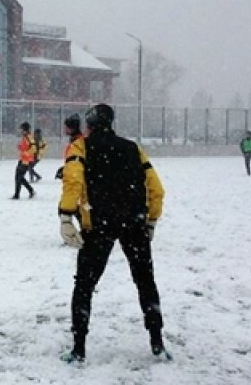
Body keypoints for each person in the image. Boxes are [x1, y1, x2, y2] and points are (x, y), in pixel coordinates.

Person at [57, 104, 168, 364]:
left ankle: (79, 347)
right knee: (145, 281)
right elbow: (156, 188)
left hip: (98, 224)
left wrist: (66, 215)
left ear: (91, 123)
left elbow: (73, 180)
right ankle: (157, 341)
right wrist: (151, 219)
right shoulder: (133, 148)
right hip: (134, 222)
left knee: (84, 285)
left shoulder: (81, 147)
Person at [12, 122, 36, 199]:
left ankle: (17, 195)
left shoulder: (29, 137)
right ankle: (30, 190)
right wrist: (20, 147)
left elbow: (33, 149)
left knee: (19, 177)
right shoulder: (25, 137)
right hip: (22, 160)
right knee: (19, 177)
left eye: (22, 129)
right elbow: (25, 147)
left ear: (25, 130)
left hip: (26, 161)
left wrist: (26, 153)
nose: (21, 131)